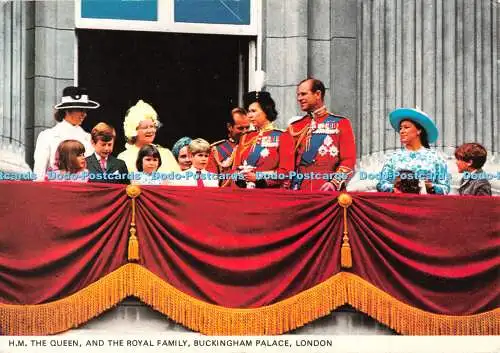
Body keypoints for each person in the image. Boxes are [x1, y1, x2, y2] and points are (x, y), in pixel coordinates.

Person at [285, 78, 356, 191]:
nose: (299, 99)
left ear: (318, 94)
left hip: (328, 190)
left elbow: (348, 160)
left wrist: (334, 183)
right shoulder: (294, 127)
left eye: (303, 94)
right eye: (298, 95)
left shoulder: (341, 123)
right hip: (299, 189)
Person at [376, 107, 450, 194]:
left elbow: (445, 188)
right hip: (399, 204)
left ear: (419, 131)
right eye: (400, 128)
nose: (402, 131)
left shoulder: (435, 158)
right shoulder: (394, 157)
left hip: (426, 205)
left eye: (406, 127)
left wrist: (430, 186)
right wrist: (395, 188)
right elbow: (381, 184)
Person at [33, 86, 99, 181]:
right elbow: (39, 173)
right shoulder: (47, 136)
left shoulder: (88, 138)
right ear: (67, 110)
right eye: (80, 109)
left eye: (85, 110)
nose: (84, 114)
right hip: (55, 192)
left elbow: (93, 172)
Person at [231, 91, 294, 189]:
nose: (249, 115)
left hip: (269, 195)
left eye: (253, 111)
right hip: (244, 194)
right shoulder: (245, 137)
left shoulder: (283, 136)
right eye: (248, 111)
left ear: (266, 110)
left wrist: (258, 177)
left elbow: (286, 172)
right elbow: (235, 168)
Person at [117, 100, 180, 174]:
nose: (150, 131)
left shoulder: (166, 154)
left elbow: (178, 181)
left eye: (152, 126)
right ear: (134, 130)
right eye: (145, 127)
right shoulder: (124, 157)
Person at [206, 107, 250, 185]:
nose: (245, 131)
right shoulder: (217, 150)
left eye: (247, 127)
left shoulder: (254, 146)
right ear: (230, 127)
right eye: (240, 128)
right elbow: (210, 181)